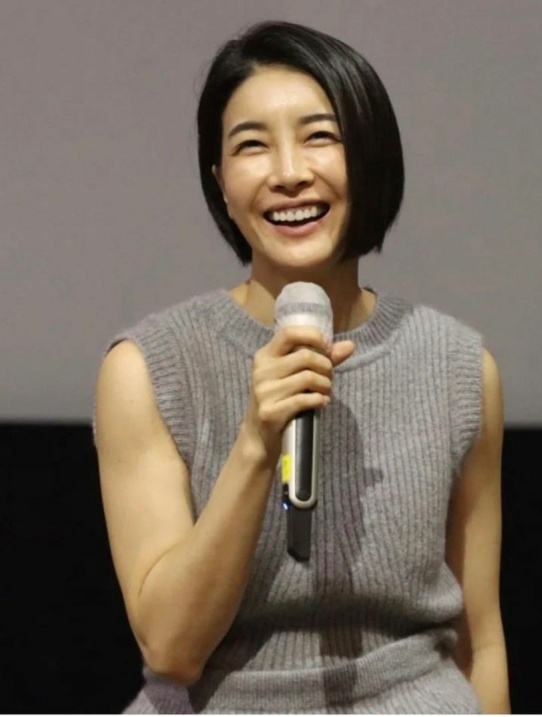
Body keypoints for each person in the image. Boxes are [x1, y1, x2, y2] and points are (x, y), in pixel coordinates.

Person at [94, 20, 509, 714]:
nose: (288, 173)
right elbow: (170, 648)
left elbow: (481, 640)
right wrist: (257, 441)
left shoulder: (459, 369)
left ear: (371, 159)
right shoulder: (147, 370)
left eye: (320, 136)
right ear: (221, 184)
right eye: (251, 145)